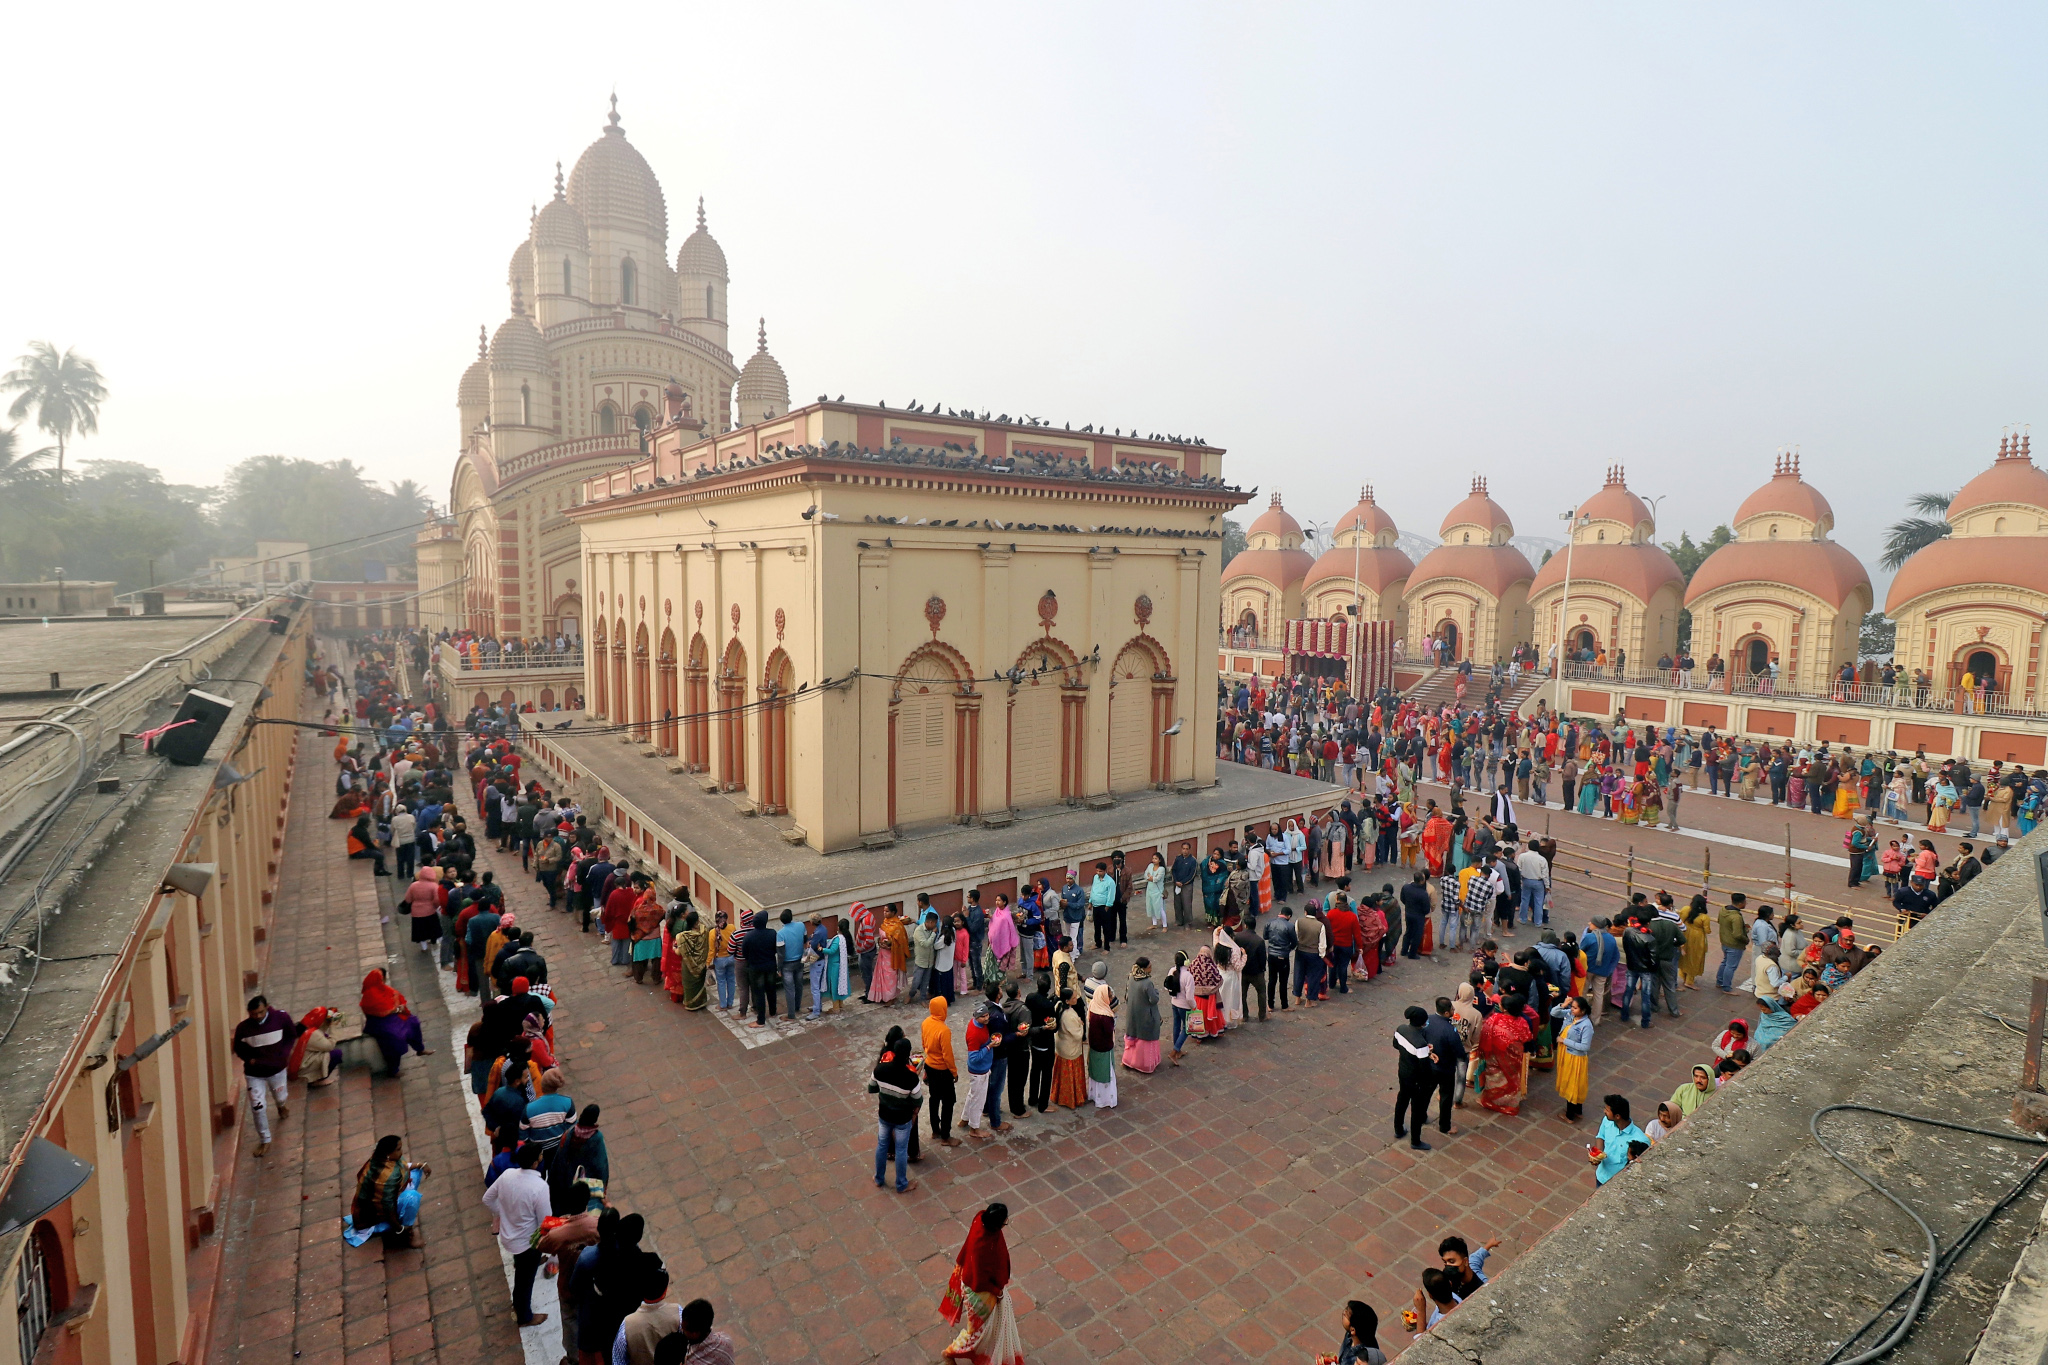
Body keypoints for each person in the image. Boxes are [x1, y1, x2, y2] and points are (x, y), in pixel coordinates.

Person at [939, 1204, 1022, 1364]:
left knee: (986, 1327)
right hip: (980, 1292)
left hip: (980, 1286)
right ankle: (950, 1353)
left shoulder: (980, 1219)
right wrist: (997, 1291)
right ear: (996, 1226)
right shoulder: (983, 1245)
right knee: (976, 1333)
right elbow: (980, 1279)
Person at [482, 1142, 552, 1327]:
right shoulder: (539, 1186)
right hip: (528, 1242)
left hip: (510, 1235)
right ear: (535, 1163)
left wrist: (504, 1213)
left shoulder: (507, 1175)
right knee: (524, 1281)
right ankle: (524, 1316)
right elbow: (545, 1222)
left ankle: (533, 1262)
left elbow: (487, 1198)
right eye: (540, 1156)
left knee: (523, 1266)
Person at [233, 995, 302, 1157]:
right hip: (254, 1074)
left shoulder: (281, 1018)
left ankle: (281, 1105)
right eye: (253, 1014)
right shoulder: (243, 1028)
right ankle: (265, 1139)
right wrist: (249, 1059)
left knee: (280, 1096)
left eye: (260, 1012)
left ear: (267, 1007)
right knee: (258, 1107)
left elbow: (291, 1035)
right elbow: (238, 1047)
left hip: (277, 1070)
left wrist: (283, 1054)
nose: (257, 1016)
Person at [344, 1135, 429, 1248]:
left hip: (389, 1199)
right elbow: (387, 1208)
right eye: (398, 1149)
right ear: (388, 1153)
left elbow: (404, 1167)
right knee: (412, 1197)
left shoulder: (383, 1158)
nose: (401, 1152)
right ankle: (407, 1235)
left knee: (416, 1171)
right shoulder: (388, 1176)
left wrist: (421, 1165)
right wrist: (400, 1229)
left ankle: (405, 1208)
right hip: (376, 1217)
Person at [873, 1034, 924, 1194]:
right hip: (902, 1119)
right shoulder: (910, 1077)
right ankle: (901, 1184)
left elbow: (872, 1087)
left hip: (885, 1115)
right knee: (901, 1150)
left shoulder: (880, 1069)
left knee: (882, 1145)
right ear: (908, 1054)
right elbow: (918, 1099)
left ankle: (879, 1178)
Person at [359, 969, 433, 1077]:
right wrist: (399, 1009)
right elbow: (384, 1011)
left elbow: (396, 998)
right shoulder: (370, 995)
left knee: (413, 1023)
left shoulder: (384, 989)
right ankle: (393, 1069)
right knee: (395, 1037)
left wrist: (400, 1008)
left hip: (393, 1017)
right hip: (379, 1023)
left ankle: (420, 1049)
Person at [1477, 993, 1533, 1115]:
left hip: (1495, 1058)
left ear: (1505, 1009)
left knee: (1495, 1078)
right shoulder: (1522, 1022)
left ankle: (1492, 1101)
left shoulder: (1494, 1020)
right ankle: (1510, 1104)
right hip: (1514, 1057)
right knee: (1512, 1078)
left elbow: (1484, 1035)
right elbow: (1527, 1037)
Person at [1393, 1006, 1437, 1151]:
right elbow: (1425, 1068)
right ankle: (1415, 1140)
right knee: (1417, 1110)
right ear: (1422, 1023)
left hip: (1403, 1072)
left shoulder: (1401, 1029)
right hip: (1417, 1080)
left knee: (1402, 1099)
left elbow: (1396, 1045)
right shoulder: (1421, 1044)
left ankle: (1398, 1129)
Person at [921, 997, 960, 1147]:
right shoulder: (944, 1030)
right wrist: (954, 1072)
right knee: (948, 1102)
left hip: (930, 1066)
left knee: (934, 1098)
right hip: (943, 1071)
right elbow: (947, 1056)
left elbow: (924, 1044)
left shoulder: (926, 1023)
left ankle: (935, 1130)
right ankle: (946, 1135)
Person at [1550, 995, 1593, 1121]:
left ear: (1583, 1011)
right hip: (1566, 1054)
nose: (1572, 1010)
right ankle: (1577, 1110)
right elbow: (1554, 1013)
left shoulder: (1586, 1026)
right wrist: (1564, 1004)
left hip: (1575, 1058)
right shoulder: (1570, 1015)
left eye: (1575, 1008)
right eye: (1572, 1007)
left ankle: (1570, 1115)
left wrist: (1564, 1041)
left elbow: (1585, 1046)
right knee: (1572, 1083)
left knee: (1572, 1084)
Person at [1588, 1094, 1646, 1185]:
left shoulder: (1640, 1140)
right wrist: (1598, 1155)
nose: (1604, 1111)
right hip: (1601, 1176)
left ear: (1617, 1116)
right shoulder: (1607, 1121)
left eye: (1607, 1110)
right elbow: (1601, 1136)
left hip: (1618, 1184)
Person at [1085, 968, 1119, 1108]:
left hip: (1094, 1047)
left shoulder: (1093, 1007)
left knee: (1095, 1073)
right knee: (1105, 1074)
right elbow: (1109, 1031)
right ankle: (1105, 1100)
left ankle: (1094, 1096)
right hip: (1104, 1048)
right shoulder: (1105, 1016)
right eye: (1109, 997)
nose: (1110, 999)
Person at [1050, 986, 1088, 1108]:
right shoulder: (1070, 1015)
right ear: (1067, 1001)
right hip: (1070, 1049)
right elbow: (1078, 1035)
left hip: (1061, 1046)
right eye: (1073, 997)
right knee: (1071, 1077)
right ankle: (1071, 1099)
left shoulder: (1059, 1006)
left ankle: (1058, 1095)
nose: (1076, 999)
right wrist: (1081, 1025)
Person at [1122, 958, 1162, 1073]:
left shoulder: (1131, 976)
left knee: (1134, 1035)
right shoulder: (1147, 982)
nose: (1151, 968)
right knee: (1145, 1039)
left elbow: (1127, 995)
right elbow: (1154, 999)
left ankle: (1129, 1060)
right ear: (1144, 969)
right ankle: (1145, 1065)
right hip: (1145, 1015)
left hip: (1133, 1013)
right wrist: (1157, 992)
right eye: (1149, 966)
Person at [669, 910, 711, 1010]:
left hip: (688, 966)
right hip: (701, 964)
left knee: (690, 984)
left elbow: (679, 952)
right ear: (697, 921)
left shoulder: (683, 937)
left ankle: (691, 1004)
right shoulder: (704, 931)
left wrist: (674, 948)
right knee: (699, 984)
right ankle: (701, 1001)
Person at [1334, 1300, 1388, 1365]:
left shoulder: (1361, 1360)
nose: (1344, 1313)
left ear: (1353, 1330)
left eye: (1347, 1315)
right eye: (1346, 1309)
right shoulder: (1350, 1334)